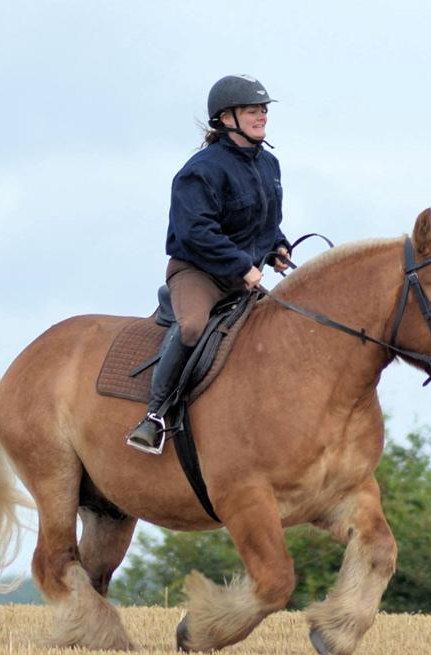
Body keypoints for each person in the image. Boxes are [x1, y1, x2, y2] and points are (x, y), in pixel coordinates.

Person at [126, 74, 292, 454]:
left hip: (244, 276)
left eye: (264, 109)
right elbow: (195, 232)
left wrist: (277, 246)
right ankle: (155, 415)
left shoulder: (269, 164)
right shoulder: (201, 170)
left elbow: (267, 223)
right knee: (193, 327)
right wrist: (242, 266)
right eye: (252, 110)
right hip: (199, 272)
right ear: (226, 118)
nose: (261, 115)